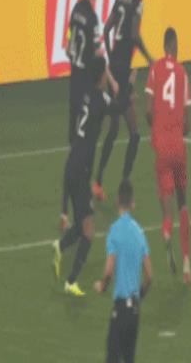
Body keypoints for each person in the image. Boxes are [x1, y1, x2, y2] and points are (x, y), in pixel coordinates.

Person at [52, 56, 122, 297]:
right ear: (102, 76)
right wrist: (124, 90)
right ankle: (71, 281)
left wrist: (63, 210)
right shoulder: (101, 99)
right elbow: (118, 107)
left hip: (72, 164)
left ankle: (60, 246)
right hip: (81, 171)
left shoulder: (84, 95)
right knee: (90, 231)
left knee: (82, 222)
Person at [59, 0, 118, 230]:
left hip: (73, 84)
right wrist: (112, 81)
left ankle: (64, 212)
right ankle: (83, 203)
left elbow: (68, 47)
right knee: (89, 143)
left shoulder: (74, 12)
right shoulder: (92, 18)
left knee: (74, 147)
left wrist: (77, 59)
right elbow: (98, 54)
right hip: (86, 85)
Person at [93, 0, 153, 201]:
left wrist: (111, 58)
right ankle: (124, 188)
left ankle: (98, 182)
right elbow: (134, 35)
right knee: (135, 134)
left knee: (114, 129)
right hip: (123, 70)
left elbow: (107, 29)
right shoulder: (137, 1)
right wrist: (150, 58)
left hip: (115, 68)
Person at [144, 28, 191, 284]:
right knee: (183, 201)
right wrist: (178, 127)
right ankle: (186, 264)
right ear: (173, 44)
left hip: (161, 147)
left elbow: (147, 110)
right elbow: (188, 124)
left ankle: (166, 227)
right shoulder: (183, 72)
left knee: (166, 198)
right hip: (178, 146)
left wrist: (157, 128)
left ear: (164, 46)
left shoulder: (154, 70)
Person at [94, 179, 152, 363]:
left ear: (117, 200)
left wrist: (102, 286)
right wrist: (139, 295)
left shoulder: (115, 230)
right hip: (135, 312)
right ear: (132, 202)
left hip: (120, 311)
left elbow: (109, 270)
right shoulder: (139, 232)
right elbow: (149, 276)